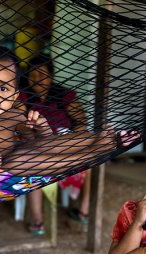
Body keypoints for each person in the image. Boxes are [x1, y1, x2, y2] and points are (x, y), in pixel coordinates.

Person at [0, 46, 130, 179]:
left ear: (15, 96)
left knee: (43, 146)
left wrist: (41, 127)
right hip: (3, 171)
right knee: (16, 162)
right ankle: (97, 152)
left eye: (3, 89)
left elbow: (42, 143)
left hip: (29, 156)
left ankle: (102, 139)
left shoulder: (13, 115)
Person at [18, 54, 95, 234]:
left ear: (51, 76)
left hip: (64, 144)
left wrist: (71, 139)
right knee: (32, 163)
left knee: (91, 158)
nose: (37, 79)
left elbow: (82, 122)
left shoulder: (63, 95)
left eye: (42, 74)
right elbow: (18, 121)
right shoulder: (23, 96)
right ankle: (37, 220)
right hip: (37, 145)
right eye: (32, 75)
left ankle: (83, 210)